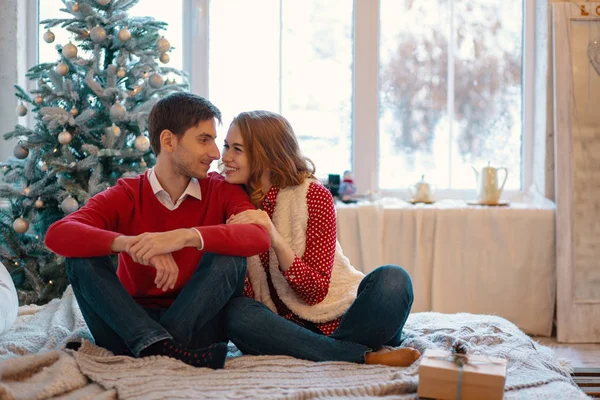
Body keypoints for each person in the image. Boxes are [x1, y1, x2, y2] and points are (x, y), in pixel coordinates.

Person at [44, 93, 270, 369]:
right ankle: (163, 348)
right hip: (129, 326)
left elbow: (258, 236)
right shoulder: (128, 193)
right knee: (80, 259)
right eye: (204, 139)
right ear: (168, 141)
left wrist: (185, 236)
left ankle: (155, 348)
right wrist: (131, 244)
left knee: (230, 255)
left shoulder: (221, 189)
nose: (214, 153)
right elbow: (58, 233)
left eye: (214, 140)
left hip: (196, 328)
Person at [221, 110, 419, 366]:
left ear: (267, 154)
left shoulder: (314, 196)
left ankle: (328, 350)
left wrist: (274, 237)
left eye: (237, 149)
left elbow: (314, 292)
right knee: (237, 313)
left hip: (345, 321)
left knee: (393, 280)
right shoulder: (230, 202)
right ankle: (362, 356)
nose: (225, 157)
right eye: (226, 146)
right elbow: (246, 295)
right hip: (283, 329)